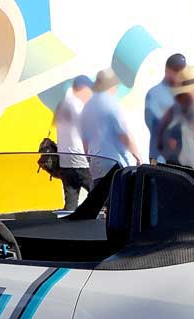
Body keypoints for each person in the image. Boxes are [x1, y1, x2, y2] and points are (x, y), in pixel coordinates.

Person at [80, 67, 140, 182]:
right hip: (112, 164)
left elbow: (85, 142)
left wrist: (89, 158)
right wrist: (137, 156)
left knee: (102, 193)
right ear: (111, 86)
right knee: (118, 193)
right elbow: (123, 134)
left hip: (95, 167)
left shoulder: (86, 108)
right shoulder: (110, 103)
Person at [52, 74, 92, 211]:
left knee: (70, 204)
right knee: (100, 196)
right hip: (80, 159)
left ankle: (68, 222)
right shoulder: (78, 106)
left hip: (65, 161)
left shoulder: (62, 105)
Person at [144, 53, 186, 163]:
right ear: (167, 70)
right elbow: (152, 123)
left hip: (180, 159)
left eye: (182, 71)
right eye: (176, 70)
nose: (179, 74)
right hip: (160, 157)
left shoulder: (185, 93)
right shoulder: (155, 93)